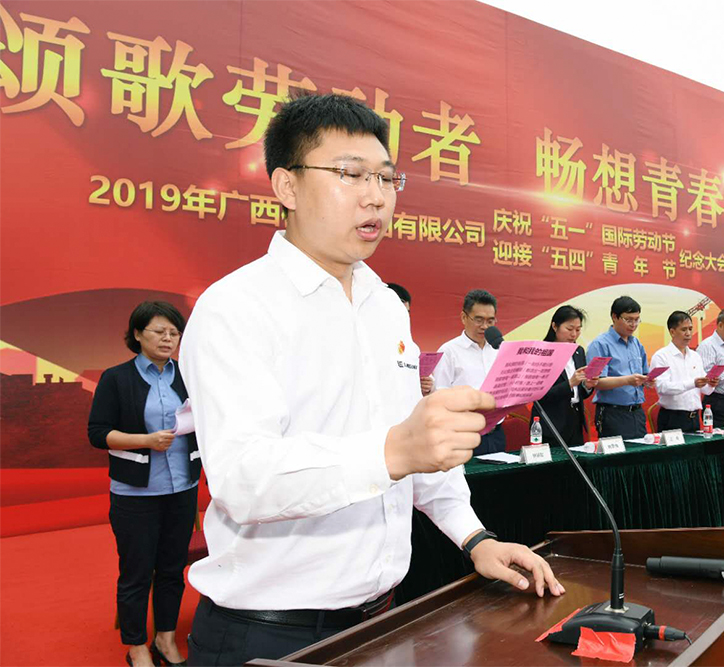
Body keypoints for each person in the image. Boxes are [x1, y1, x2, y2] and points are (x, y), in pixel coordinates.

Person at [178, 93, 561, 666]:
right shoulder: (235, 307)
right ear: (286, 186)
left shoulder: (385, 306)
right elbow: (244, 479)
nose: (376, 196)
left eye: (386, 177)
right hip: (271, 636)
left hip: (384, 620)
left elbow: (418, 453)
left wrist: (475, 538)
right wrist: (394, 450)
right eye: (350, 174)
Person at [87, 301, 201, 667]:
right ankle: (136, 646)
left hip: (182, 489)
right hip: (136, 493)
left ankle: (165, 639)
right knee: (136, 573)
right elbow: (97, 433)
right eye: (159, 331)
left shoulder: (189, 376)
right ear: (137, 334)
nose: (168, 339)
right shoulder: (116, 378)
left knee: (171, 569)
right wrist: (145, 441)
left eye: (174, 333)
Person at [435, 289, 506, 454]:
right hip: (464, 435)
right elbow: (439, 396)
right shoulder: (449, 351)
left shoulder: (499, 349)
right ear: (464, 317)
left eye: (490, 321)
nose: (485, 326)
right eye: (479, 320)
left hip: (496, 433)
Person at [531, 305, 598, 445]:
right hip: (551, 424)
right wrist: (570, 384)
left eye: (578, 330)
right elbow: (539, 395)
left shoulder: (578, 351)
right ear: (554, 326)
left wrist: (587, 386)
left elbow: (579, 394)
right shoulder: (542, 354)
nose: (574, 334)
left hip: (575, 422)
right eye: (569, 329)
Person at [586, 296, 651, 439]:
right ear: (614, 317)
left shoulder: (636, 343)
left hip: (637, 413)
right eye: (629, 319)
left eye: (637, 320)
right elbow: (597, 382)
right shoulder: (600, 344)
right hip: (613, 414)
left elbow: (645, 374)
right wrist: (627, 380)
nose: (633, 324)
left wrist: (648, 381)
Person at [649, 311, 719, 432]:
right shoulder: (661, 356)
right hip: (672, 418)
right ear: (672, 332)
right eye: (684, 329)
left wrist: (711, 384)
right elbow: (662, 387)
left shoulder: (695, 356)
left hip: (694, 418)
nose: (688, 333)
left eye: (690, 329)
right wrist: (693, 383)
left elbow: (705, 390)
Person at [387, 282, 433, 396]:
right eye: (400, 312)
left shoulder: (412, 347)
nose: (405, 317)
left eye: (407, 312)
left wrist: (425, 386)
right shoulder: (368, 342)